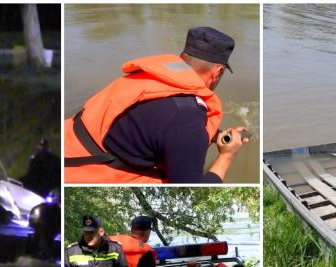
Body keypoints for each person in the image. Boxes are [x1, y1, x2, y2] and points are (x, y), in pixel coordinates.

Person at [65, 26, 249, 184]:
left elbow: (158, 123)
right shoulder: (186, 115)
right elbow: (192, 193)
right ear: (217, 72)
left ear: (183, 57)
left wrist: (215, 135)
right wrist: (227, 155)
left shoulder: (150, 77)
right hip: (82, 175)